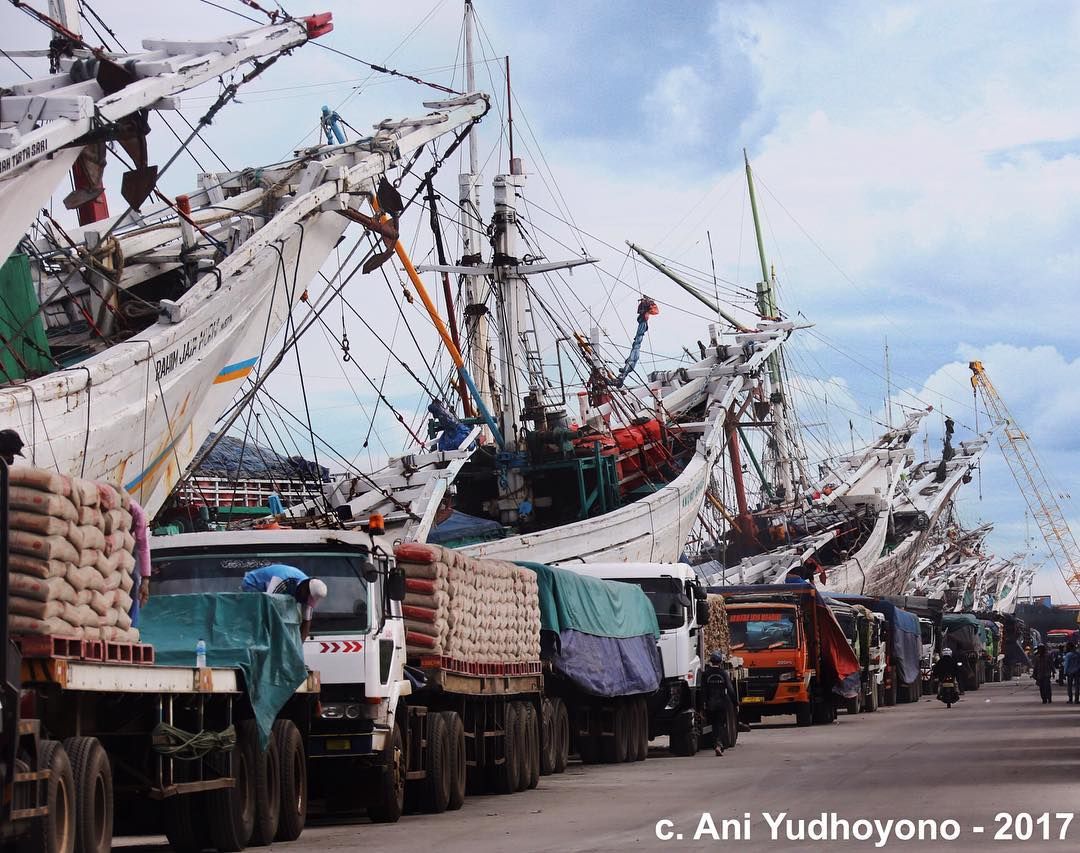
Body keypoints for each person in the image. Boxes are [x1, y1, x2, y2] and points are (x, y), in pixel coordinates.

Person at [241, 563, 327, 641]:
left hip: (280, 589)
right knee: (260, 617)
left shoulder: (311, 594)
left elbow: (306, 621)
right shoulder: (282, 579)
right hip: (254, 584)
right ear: (304, 588)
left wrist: (297, 648)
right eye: (305, 598)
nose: (305, 601)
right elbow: (268, 607)